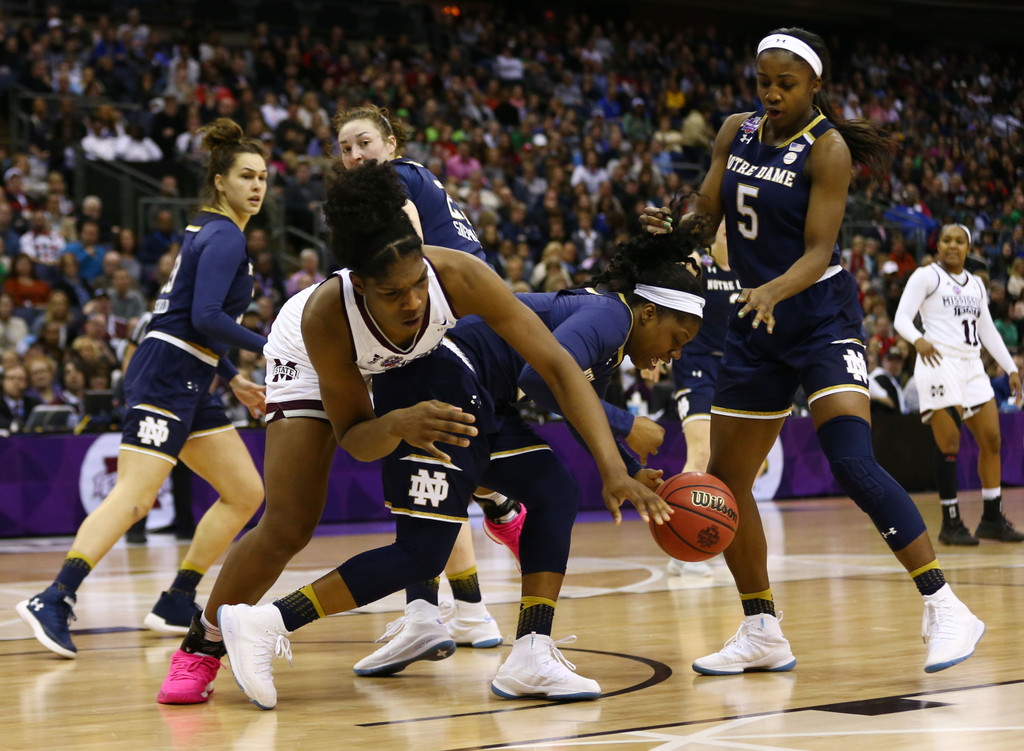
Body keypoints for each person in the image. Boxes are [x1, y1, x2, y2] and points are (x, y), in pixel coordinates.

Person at [158, 162, 672, 710]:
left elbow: (557, 367)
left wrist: (615, 468)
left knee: (534, 486)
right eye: (392, 292)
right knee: (289, 524)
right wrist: (398, 424)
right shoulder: (327, 316)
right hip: (312, 363)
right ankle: (203, 645)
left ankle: (499, 603)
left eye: (417, 283)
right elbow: (355, 438)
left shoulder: (460, 275)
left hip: (416, 363)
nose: (411, 301)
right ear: (360, 283)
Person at [641, 27, 983, 676]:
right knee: (727, 481)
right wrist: (673, 231)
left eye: (786, 84)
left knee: (851, 460)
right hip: (756, 322)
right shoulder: (735, 131)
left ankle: (945, 605)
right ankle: (761, 628)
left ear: (814, 85)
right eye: (763, 82)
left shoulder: (827, 149)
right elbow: (706, 216)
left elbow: (819, 250)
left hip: (820, 316)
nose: (771, 93)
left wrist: (772, 289)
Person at [16, 119, 269, 659]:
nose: (257, 186)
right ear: (220, 181)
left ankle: (176, 599)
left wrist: (231, 376)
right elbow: (204, 317)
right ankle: (54, 597)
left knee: (245, 492)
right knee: (134, 497)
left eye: (263, 177)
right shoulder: (225, 234)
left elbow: (193, 316)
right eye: (246, 176)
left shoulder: (210, 228)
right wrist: (269, 345)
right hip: (167, 372)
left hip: (191, 373)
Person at [333, 105, 526, 627]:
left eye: (364, 142)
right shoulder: (416, 176)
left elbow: (411, 247)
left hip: (452, 321)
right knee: (438, 453)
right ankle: (470, 599)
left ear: (391, 144)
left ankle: (434, 607)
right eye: (346, 148)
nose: (355, 155)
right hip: (472, 317)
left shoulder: (395, 179)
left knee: (425, 455)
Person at [893, 223, 1023, 545]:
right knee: (949, 443)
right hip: (939, 361)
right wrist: (918, 339)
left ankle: (992, 519)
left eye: (959, 241)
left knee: (992, 440)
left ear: (968, 247)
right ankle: (950, 523)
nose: (952, 245)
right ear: (938, 246)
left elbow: (987, 330)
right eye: (946, 240)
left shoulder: (977, 284)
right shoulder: (927, 276)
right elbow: (901, 318)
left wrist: (1010, 368)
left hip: (972, 364)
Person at [667, 218, 741, 577]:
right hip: (695, 365)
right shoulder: (699, 261)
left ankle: (709, 535)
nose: (731, 227)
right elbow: (670, 299)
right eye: (726, 222)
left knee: (734, 464)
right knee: (700, 452)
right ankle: (680, 548)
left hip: (734, 371)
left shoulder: (746, 269)